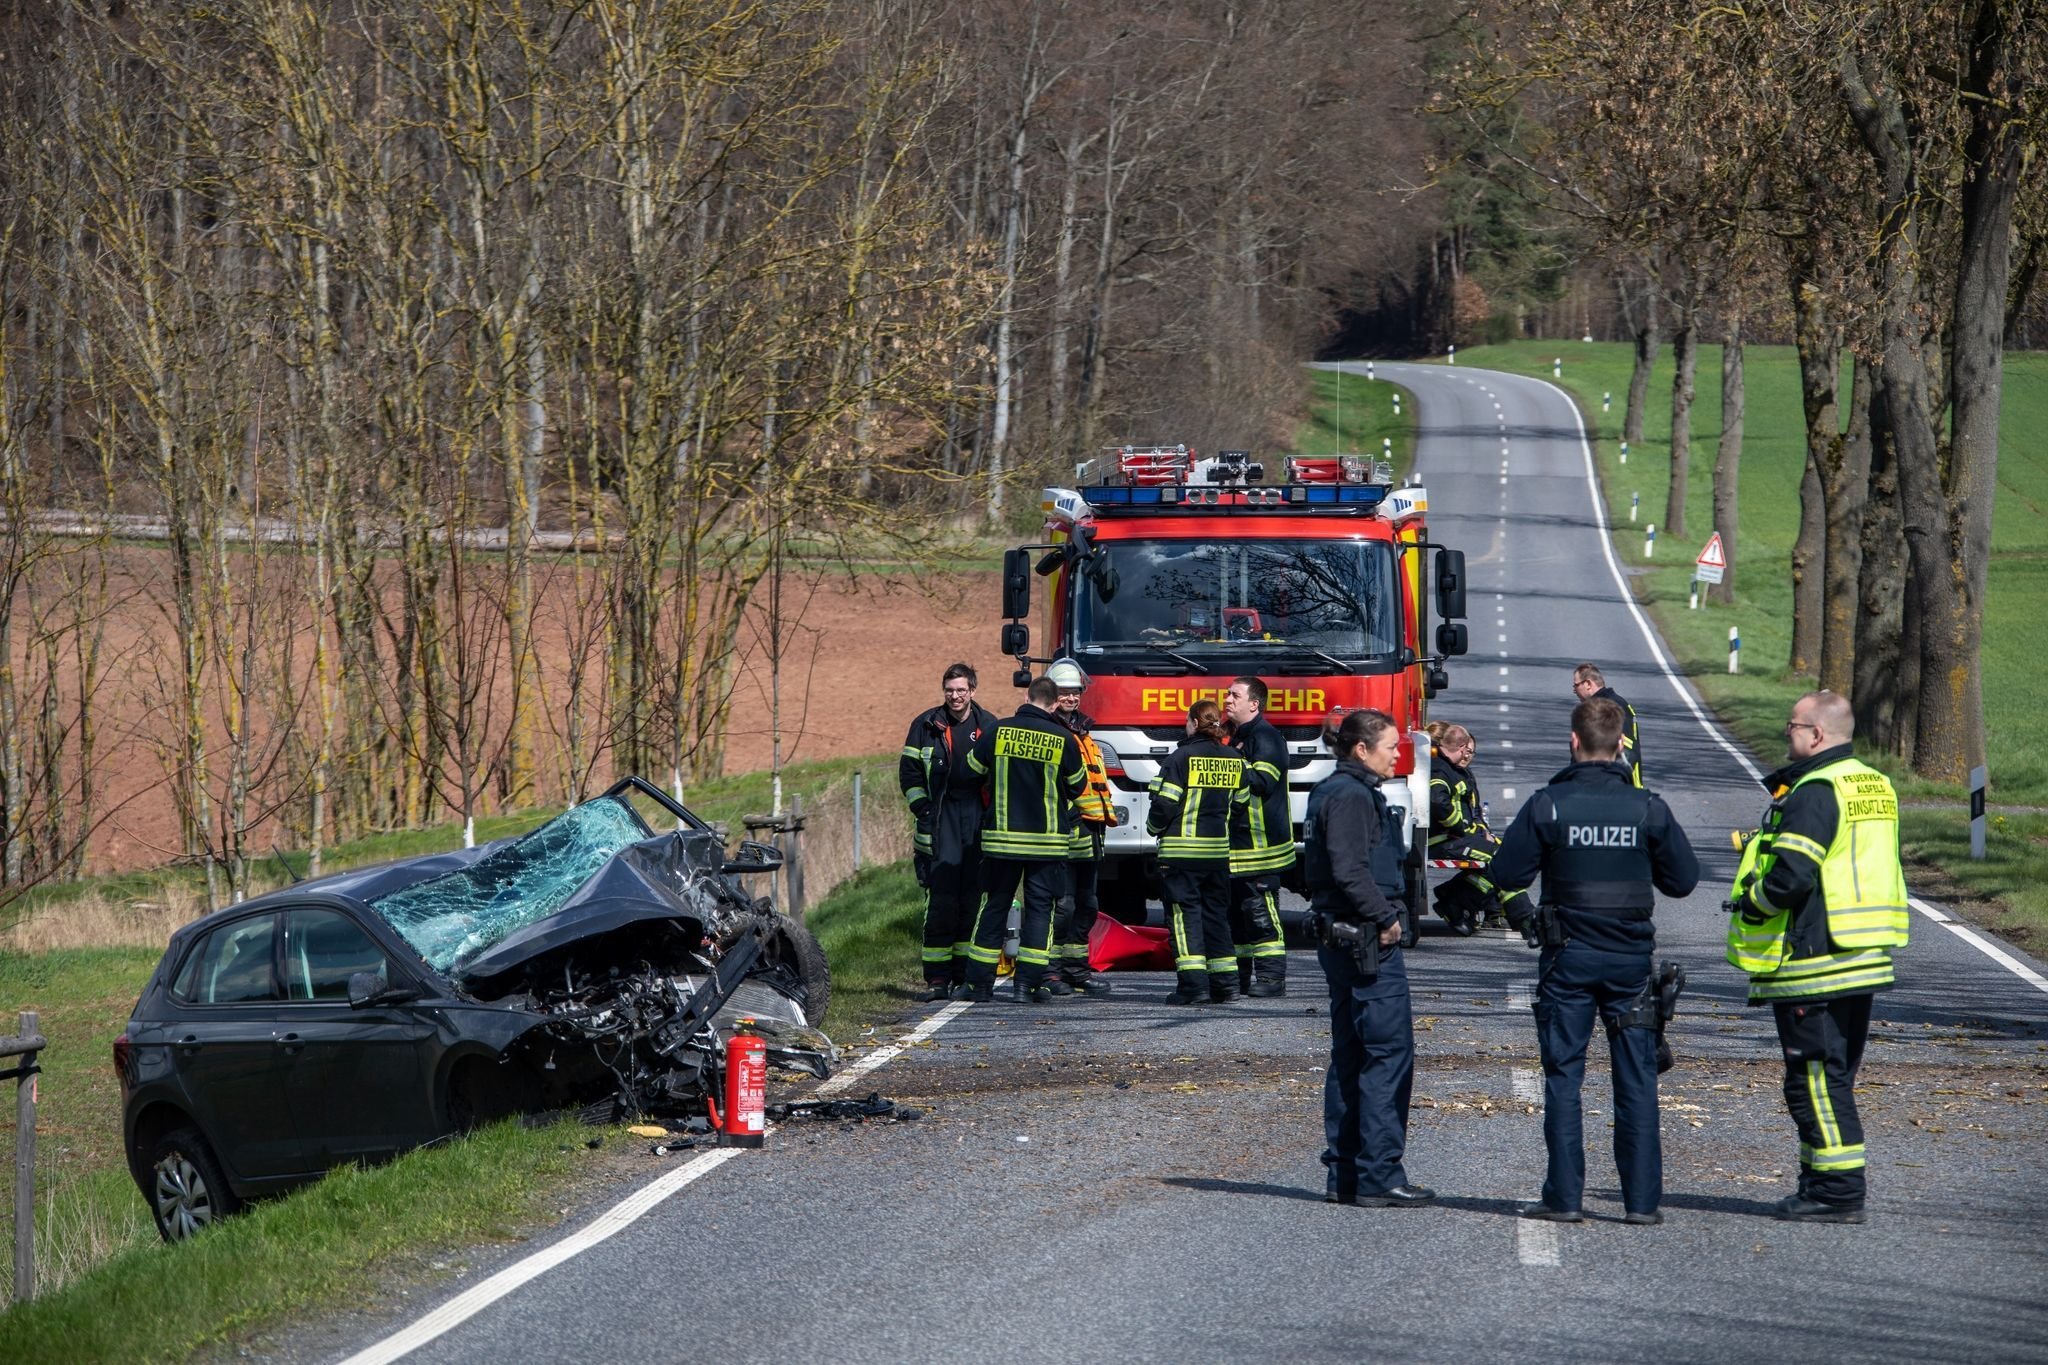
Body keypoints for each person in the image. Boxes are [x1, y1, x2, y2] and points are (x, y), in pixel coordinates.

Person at [1490, 696, 1699, 1225]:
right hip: (1629, 964)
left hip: (1569, 963)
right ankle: (1642, 1203)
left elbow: (1505, 873)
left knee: (1564, 1079)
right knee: (1636, 1082)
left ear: (1574, 741)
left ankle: (1563, 1198)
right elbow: (1683, 881)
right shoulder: (1646, 806)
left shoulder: (1548, 804)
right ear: (1620, 744)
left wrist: (1532, 899)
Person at [1726, 690, 1908, 1224]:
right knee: (1834, 1076)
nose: (1787, 733)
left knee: (1814, 1079)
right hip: (1864, 952)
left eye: (1793, 725)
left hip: (1816, 958)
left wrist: (1752, 903)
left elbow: (1792, 875)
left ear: (1818, 735)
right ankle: (1819, 1183)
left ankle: (1837, 1194)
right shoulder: (1873, 783)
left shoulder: (1815, 789)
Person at [1304, 708, 1433, 1207]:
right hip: (1365, 942)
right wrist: (1386, 918)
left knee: (1352, 1054)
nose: (1398, 754)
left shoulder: (1330, 791)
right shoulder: (1354, 797)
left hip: (1342, 937)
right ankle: (1379, 1174)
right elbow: (1350, 869)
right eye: (1390, 747)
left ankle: (1348, 1175)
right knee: (1386, 1054)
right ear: (1361, 749)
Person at [959, 675, 1087, 1004]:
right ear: (1055, 702)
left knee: (994, 906)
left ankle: (979, 985)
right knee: (1040, 911)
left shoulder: (997, 731)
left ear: (1027, 695)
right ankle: (1025, 986)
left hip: (1001, 840)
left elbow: (971, 770)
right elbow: (1078, 786)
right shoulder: (1064, 738)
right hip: (1047, 843)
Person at [899, 663, 999, 1001]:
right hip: (940, 820)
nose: (955, 696)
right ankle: (937, 980)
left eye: (961, 690)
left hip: (977, 819)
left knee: (971, 900)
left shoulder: (989, 726)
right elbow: (910, 773)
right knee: (941, 902)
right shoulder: (926, 725)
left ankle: (963, 976)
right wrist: (923, 808)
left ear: (973, 690)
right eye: (949, 690)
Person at [1147, 700, 1244, 1004]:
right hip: (1217, 853)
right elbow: (1240, 804)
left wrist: (1152, 828)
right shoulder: (1234, 757)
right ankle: (1226, 985)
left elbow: (1165, 803)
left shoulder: (1181, 757)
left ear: (1192, 722)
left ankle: (1193, 985)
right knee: (1216, 917)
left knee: (1183, 917)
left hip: (1181, 853)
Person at [1048, 658, 1115, 995]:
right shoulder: (1050, 731)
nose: (1071, 698)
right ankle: (1051, 971)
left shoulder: (1083, 730)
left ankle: (1076, 969)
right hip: (1062, 832)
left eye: (1075, 692)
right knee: (1063, 905)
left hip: (1089, 834)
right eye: (1064, 692)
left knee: (1087, 904)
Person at [1223, 676, 1293, 996]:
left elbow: (1263, 781)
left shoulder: (1266, 737)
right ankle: (1239, 978)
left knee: (1260, 914)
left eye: (1234, 695)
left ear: (1254, 704)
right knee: (1237, 916)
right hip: (1237, 846)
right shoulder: (1236, 736)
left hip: (1260, 846)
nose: (1227, 699)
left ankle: (1271, 979)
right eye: (1227, 694)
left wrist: (1224, 763)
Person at [1428, 723, 1530, 935]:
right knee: (1501, 859)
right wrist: (1463, 829)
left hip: (1456, 839)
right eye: (1469, 751)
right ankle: (1523, 917)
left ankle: (1455, 899)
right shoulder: (1439, 769)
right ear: (1463, 747)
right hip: (1443, 841)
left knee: (1509, 853)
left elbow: (1471, 811)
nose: (1469, 757)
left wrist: (1483, 832)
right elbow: (1438, 803)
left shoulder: (1456, 771)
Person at [1571, 664, 1642, 787]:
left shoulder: (1610, 707)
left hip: (1621, 790)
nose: (1574, 690)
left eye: (1576, 685)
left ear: (1588, 684)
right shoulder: (1606, 704)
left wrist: (1606, 780)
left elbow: (1628, 750)